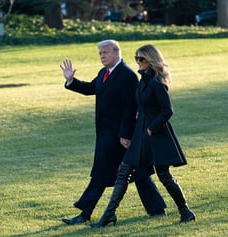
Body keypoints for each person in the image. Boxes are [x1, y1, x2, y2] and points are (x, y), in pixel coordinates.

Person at [59, 40, 167, 225]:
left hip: (119, 136)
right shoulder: (104, 73)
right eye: (100, 53)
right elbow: (90, 89)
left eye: (105, 52)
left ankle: (85, 213)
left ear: (117, 53)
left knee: (110, 173)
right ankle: (156, 209)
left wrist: (125, 135)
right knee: (132, 171)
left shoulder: (127, 75)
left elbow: (129, 108)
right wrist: (71, 80)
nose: (102, 56)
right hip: (105, 133)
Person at [91, 44, 196, 227]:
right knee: (123, 171)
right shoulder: (143, 81)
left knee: (164, 176)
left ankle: (185, 211)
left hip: (155, 135)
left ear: (151, 60)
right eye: (136, 59)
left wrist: (151, 129)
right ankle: (108, 215)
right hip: (140, 134)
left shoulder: (157, 82)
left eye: (141, 59)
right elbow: (139, 107)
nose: (138, 62)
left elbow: (167, 111)